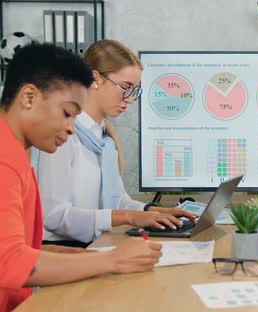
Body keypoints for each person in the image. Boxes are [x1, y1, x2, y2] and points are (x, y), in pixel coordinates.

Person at [0, 43, 162, 312]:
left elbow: (25, 249)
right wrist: (111, 261)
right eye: (67, 114)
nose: (71, 129)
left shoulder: (15, 155)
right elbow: (11, 262)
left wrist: (97, 256)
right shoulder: (4, 162)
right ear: (29, 98)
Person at [36, 39, 196, 247]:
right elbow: (55, 216)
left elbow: (118, 199)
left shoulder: (103, 137)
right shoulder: (63, 136)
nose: (129, 99)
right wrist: (127, 217)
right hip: (63, 250)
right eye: (125, 87)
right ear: (95, 79)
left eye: (134, 91)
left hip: (97, 245)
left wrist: (154, 211)